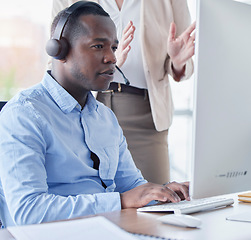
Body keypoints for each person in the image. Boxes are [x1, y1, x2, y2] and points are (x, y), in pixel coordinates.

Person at [0, 2, 190, 227]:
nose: (112, 58)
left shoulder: (105, 117)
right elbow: (28, 211)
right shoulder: (24, 115)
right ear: (59, 50)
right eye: (99, 46)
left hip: (104, 229)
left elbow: (132, 186)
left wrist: (162, 193)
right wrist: (119, 201)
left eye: (114, 48)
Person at [51, 0, 195, 184]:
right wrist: (108, 63)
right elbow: (57, 58)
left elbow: (185, 54)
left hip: (145, 113)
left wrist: (178, 61)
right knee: (94, 197)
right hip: (86, 109)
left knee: (157, 200)